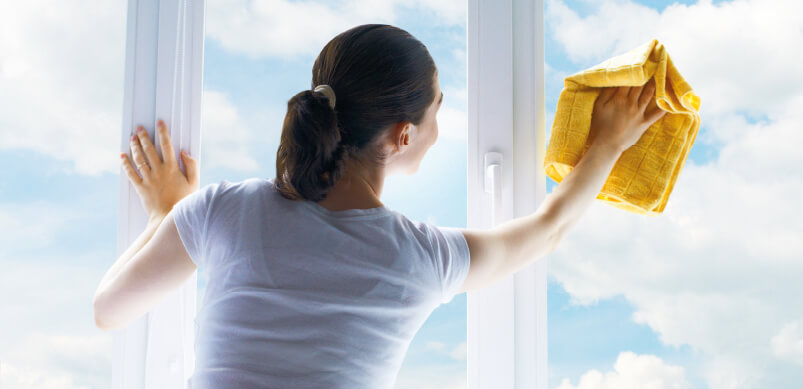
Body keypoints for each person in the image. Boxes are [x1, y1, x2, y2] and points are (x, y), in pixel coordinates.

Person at [93, 23, 665, 388]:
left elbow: (109, 311)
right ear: (404, 135)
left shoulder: (221, 210)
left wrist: (166, 213)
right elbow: (548, 229)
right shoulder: (417, 258)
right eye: (437, 110)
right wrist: (610, 143)